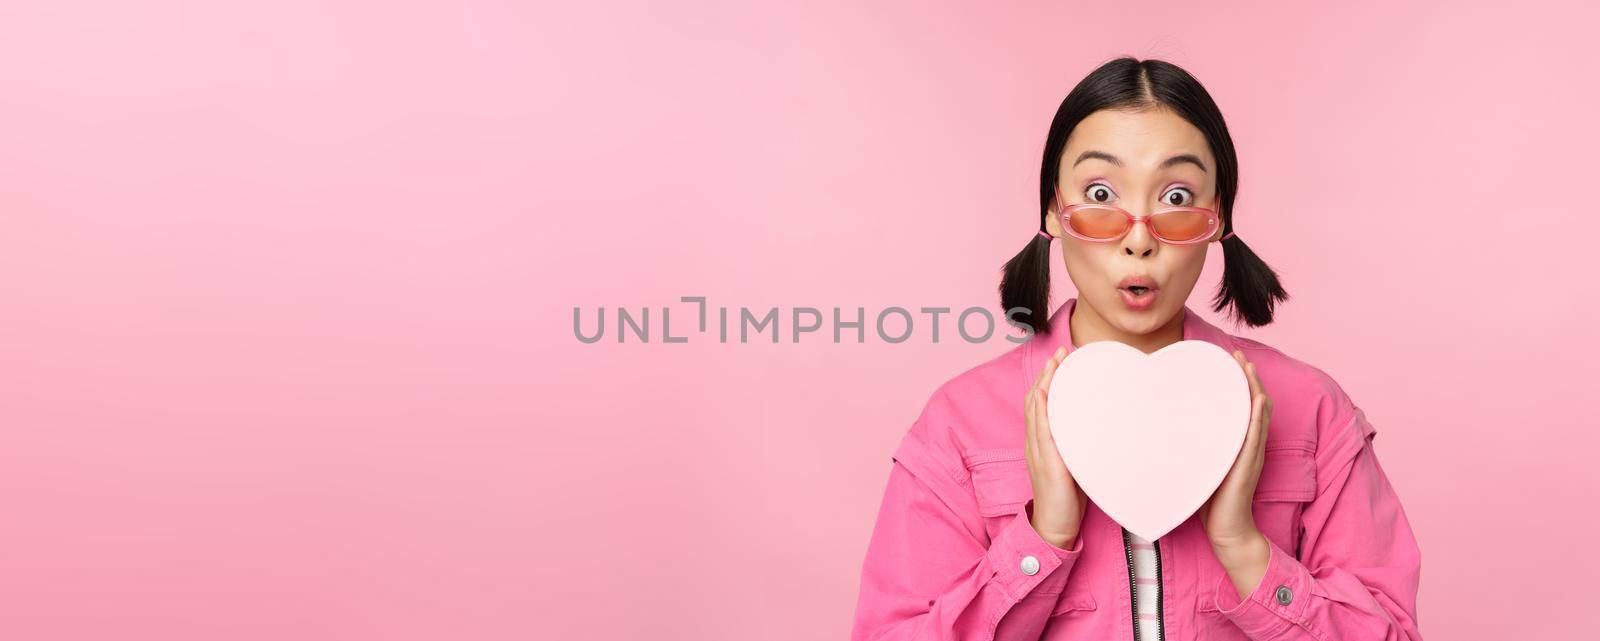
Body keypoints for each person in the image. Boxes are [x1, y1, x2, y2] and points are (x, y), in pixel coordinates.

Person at [848, 57, 1423, 641]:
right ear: (1053, 207)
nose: (1140, 240)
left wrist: (1244, 547)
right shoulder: (958, 425)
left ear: (1217, 216)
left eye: (1177, 196)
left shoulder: (1312, 410)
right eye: (1100, 193)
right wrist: (1042, 539)